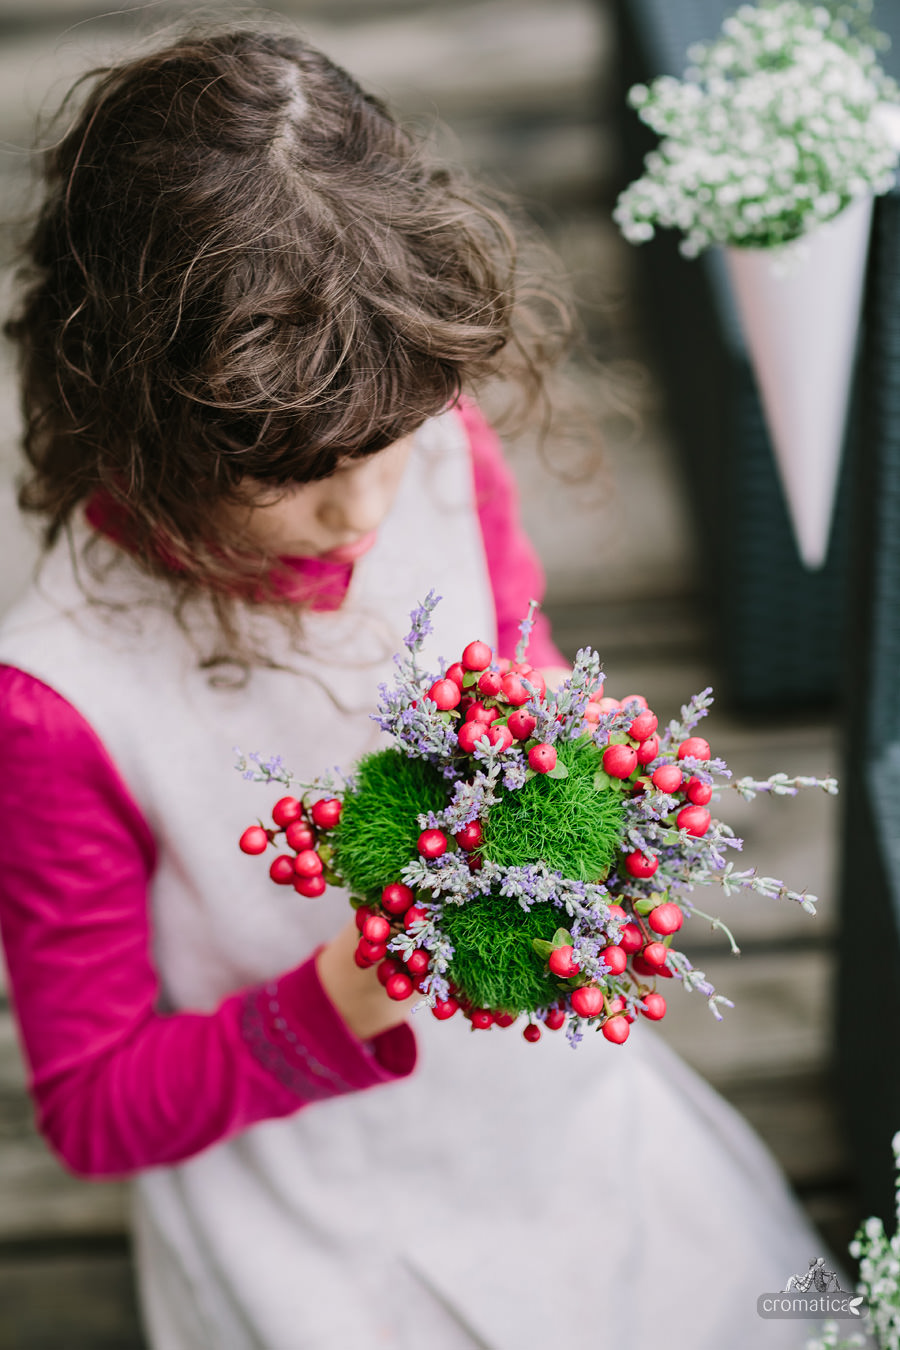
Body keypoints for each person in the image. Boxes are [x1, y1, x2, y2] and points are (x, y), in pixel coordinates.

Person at [0, 27, 828, 1349]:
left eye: (387, 439)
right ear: (140, 420)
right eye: (295, 471)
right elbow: (94, 1103)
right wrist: (337, 999)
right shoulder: (59, 698)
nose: (366, 503)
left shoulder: (438, 445)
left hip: (541, 1105)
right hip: (314, 1203)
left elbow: (517, 656)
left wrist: (570, 746)